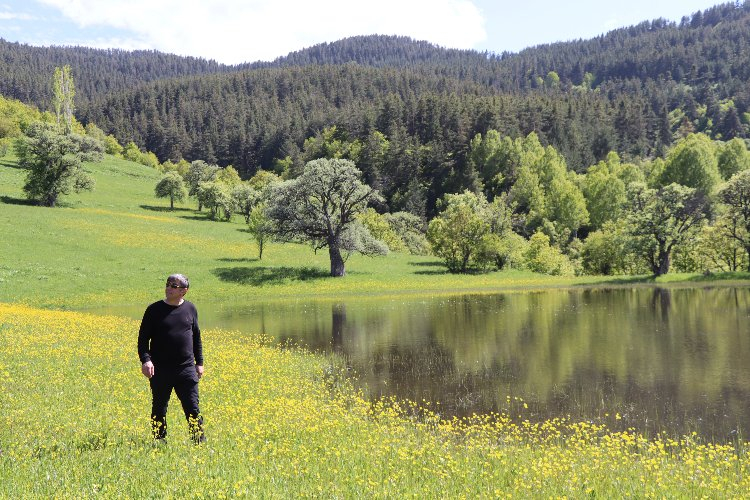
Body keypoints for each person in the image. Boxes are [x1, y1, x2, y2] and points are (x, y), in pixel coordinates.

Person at [137, 273, 206, 444]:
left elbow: (196, 337)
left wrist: (200, 363)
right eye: (168, 284)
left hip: (186, 369)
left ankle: (199, 442)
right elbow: (143, 339)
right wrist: (146, 360)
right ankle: (159, 442)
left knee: (192, 408)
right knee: (159, 408)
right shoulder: (154, 310)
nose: (168, 288)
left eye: (173, 286)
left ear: (184, 291)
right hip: (160, 369)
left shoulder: (190, 309)